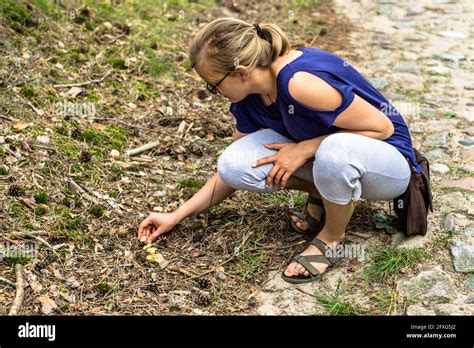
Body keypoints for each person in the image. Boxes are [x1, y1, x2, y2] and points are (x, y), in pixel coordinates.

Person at [137, 18, 420, 284]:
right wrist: (176, 215)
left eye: (213, 85)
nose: (212, 91)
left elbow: (381, 128)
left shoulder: (298, 83)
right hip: (335, 159)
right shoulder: (248, 97)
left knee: (334, 150)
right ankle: (327, 195)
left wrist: (304, 148)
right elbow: (231, 170)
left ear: (240, 72)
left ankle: (332, 237)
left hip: (389, 164)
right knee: (235, 163)